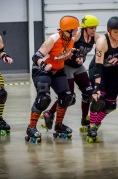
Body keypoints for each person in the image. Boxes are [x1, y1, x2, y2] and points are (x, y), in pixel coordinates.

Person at [25, 15, 79, 143]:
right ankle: (31, 128)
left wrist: (74, 56)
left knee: (67, 97)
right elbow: (36, 56)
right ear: (69, 30)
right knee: (44, 98)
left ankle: (58, 126)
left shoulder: (71, 38)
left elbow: (63, 54)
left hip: (58, 70)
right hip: (41, 70)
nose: (77, 31)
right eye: (75, 29)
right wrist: (44, 65)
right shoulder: (53, 39)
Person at [42, 15, 100, 133]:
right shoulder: (78, 34)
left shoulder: (95, 37)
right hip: (68, 67)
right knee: (69, 97)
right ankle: (50, 112)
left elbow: (105, 45)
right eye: (91, 28)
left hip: (79, 67)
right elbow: (66, 46)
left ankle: (84, 119)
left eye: (95, 27)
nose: (93, 30)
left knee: (88, 93)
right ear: (84, 28)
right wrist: (76, 56)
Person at [86, 16, 118, 143]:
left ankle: (97, 123)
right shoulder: (102, 41)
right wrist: (96, 87)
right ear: (109, 30)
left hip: (113, 72)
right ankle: (91, 126)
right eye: (115, 32)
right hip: (99, 71)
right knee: (99, 99)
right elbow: (98, 66)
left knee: (111, 105)